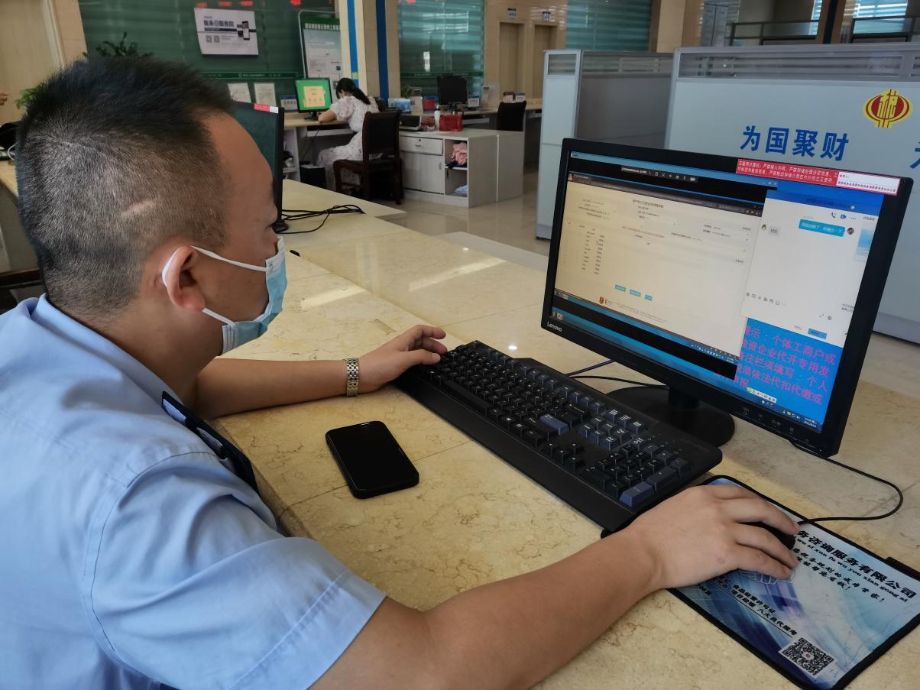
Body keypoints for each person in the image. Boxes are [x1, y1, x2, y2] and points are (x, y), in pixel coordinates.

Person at [0, 57, 799, 690]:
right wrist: (650, 552)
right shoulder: (143, 508)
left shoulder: (41, 344)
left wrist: (359, 371)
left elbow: (187, 393)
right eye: (269, 229)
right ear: (186, 278)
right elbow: (423, 673)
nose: (276, 249)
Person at [316, 77, 378, 188]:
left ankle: (335, 191)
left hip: (362, 151)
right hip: (377, 152)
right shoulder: (370, 100)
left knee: (324, 155)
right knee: (342, 153)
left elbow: (322, 118)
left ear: (342, 92)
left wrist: (322, 114)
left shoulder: (347, 100)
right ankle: (351, 189)